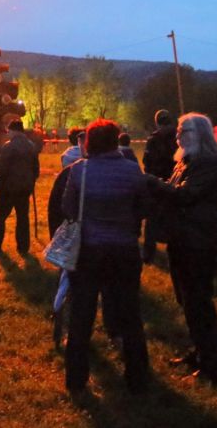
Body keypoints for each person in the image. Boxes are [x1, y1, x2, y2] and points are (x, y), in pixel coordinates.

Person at [62, 119, 151, 396]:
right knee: (130, 315)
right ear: (116, 141)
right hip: (124, 250)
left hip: (88, 250)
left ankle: (76, 379)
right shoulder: (133, 171)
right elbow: (144, 208)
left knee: (81, 314)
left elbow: (68, 208)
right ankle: (137, 378)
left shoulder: (79, 172)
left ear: (89, 142)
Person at [146, 113, 217, 384]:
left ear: (201, 133)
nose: (179, 136)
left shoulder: (210, 164)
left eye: (185, 131)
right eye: (179, 131)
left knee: (199, 304)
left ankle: (212, 366)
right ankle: (199, 352)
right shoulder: (185, 161)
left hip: (199, 244)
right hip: (181, 241)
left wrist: (151, 183)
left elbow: (185, 195)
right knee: (187, 301)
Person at [0, 120, 40, 255]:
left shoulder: (8, 147)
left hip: (8, 189)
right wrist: (31, 181)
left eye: (8, 131)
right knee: (23, 218)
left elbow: (2, 169)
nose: (8, 134)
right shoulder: (31, 146)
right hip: (24, 188)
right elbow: (36, 169)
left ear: (13, 131)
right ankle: (23, 247)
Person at [141, 109, 177, 263]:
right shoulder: (178, 137)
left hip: (156, 184)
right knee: (173, 218)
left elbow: (146, 161)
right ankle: (174, 253)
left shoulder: (154, 139)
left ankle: (149, 254)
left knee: (152, 219)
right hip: (175, 182)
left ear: (157, 122)